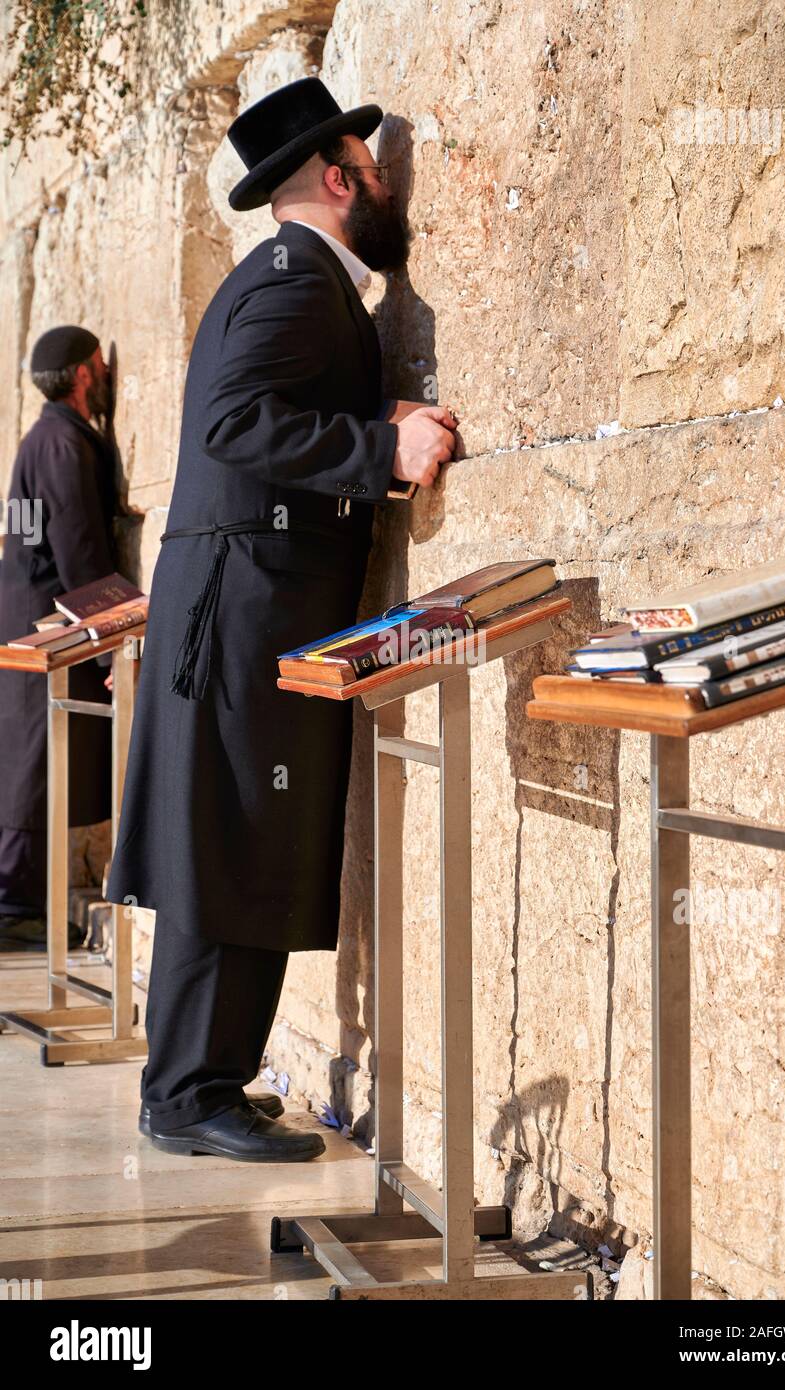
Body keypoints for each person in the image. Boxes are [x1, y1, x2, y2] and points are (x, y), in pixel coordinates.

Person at [106, 77, 457, 1161]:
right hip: (245, 606)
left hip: (249, 600)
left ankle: (203, 1077)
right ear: (341, 178)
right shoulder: (295, 279)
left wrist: (366, 422)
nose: (389, 184)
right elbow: (233, 421)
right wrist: (377, 450)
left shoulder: (293, 279)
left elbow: (271, 409)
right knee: (227, 840)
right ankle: (183, 1093)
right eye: (374, 166)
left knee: (237, 838)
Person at [0, 326, 117, 948]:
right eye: (99, 366)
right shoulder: (62, 445)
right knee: (36, 760)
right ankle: (12, 903)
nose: (104, 377)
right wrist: (113, 625)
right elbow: (79, 548)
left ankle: (17, 898)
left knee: (30, 755)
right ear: (80, 375)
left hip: (30, 616)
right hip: (53, 622)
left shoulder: (44, 437)